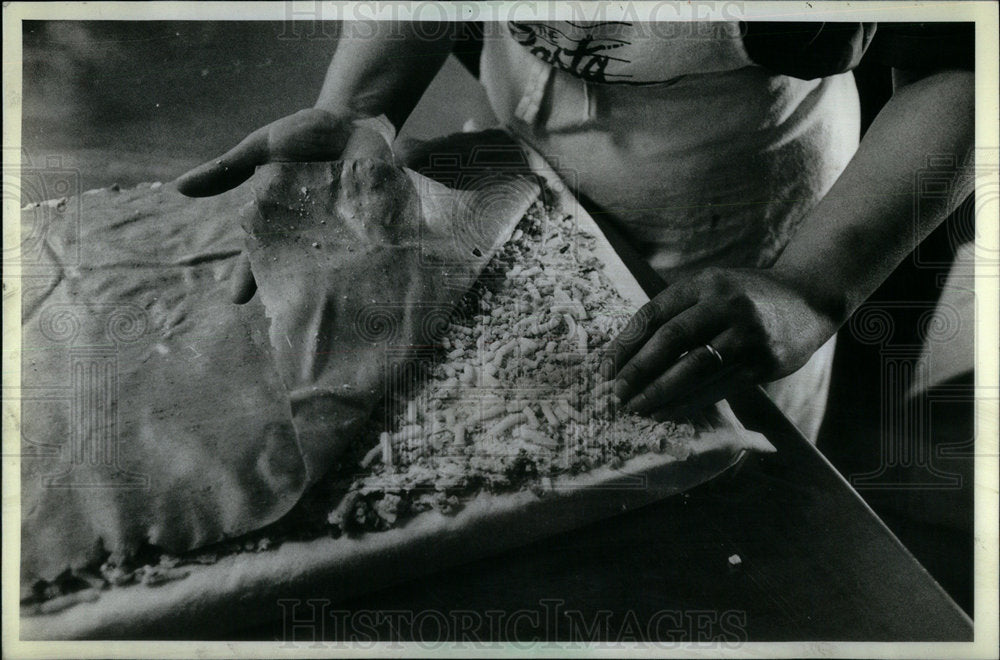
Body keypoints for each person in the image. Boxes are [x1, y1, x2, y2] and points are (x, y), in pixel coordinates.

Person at [176, 20, 974, 442]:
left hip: (738, 207)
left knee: (693, 449)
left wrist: (809, 287)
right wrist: (358, 105)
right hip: (528, 147)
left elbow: (964, 59)